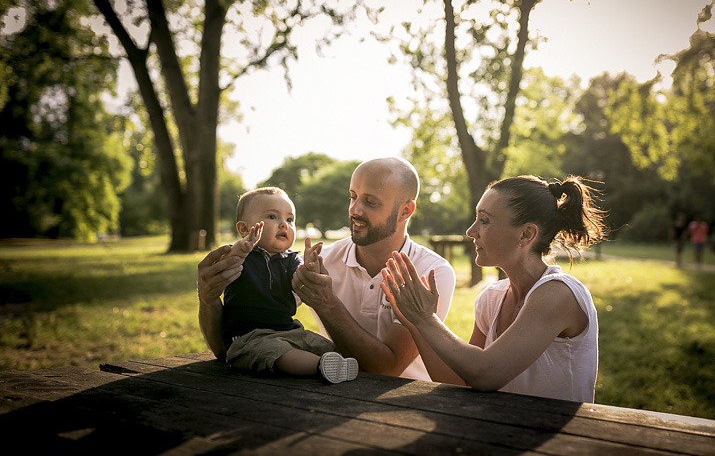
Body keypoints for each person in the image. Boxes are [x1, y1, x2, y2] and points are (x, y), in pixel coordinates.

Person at [198, 157, 457, 381]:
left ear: (405, 211)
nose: (354, 210)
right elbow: (229, 350)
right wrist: (209, 300)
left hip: (406, 406)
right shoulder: (321, 260)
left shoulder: (431, 272)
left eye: (370, 202)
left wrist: (327, 303)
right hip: (332, 396)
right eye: (353, 197)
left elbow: (386, 371)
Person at [381, 175, 607, 403]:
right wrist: (415, 323)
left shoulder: (559, 293)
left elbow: (485, 374)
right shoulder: (491, 298)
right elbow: (461, 382)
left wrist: (425, 319)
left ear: (526, 234)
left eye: (485, 221)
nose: (471, 231)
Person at [212, 187, 358, 383]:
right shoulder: (241, 256)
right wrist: (241, 248)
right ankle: (319, 367)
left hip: (289, 330)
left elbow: (301, 284)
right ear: (244, 229)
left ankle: (336, 363)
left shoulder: (290, 259)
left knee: (320, 344)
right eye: (272, 217)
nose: (284, 224)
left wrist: (310, 268)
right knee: (278, 353)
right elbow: (226, 265)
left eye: (290, 220)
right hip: (249, 337)